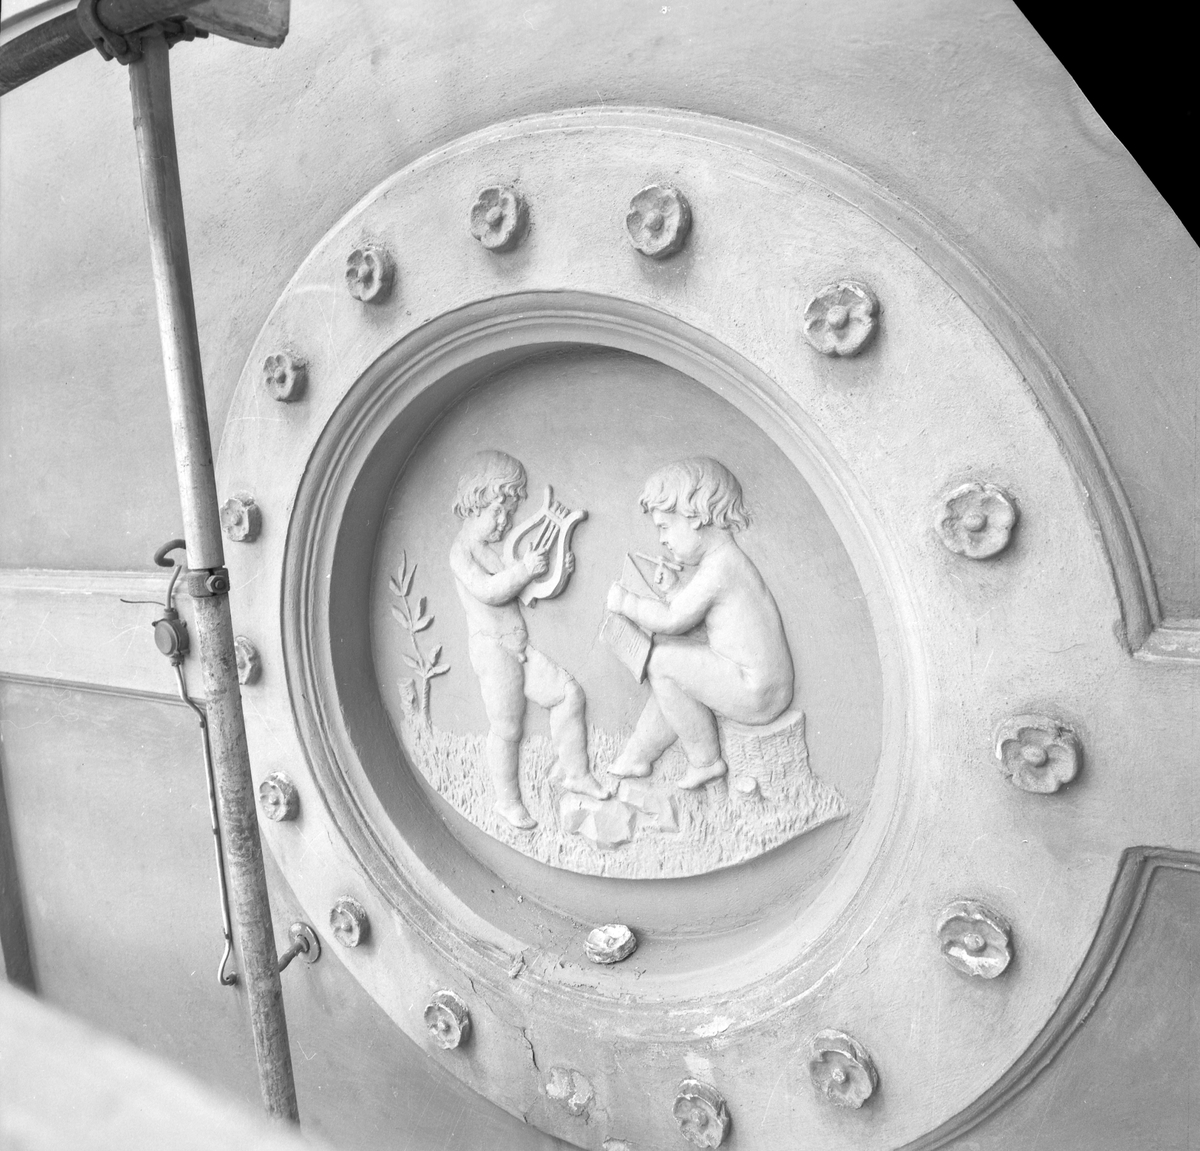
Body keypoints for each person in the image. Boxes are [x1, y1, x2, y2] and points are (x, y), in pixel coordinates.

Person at [606, 457, 794, 789]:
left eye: (665, 527)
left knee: (662, 663)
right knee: (672, 671)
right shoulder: (725, 563)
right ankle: (638, 755)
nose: (662, 539)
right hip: (755, 682)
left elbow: (673, 620)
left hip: (757, 691)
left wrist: (627, 603)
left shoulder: (721, 568)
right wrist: (673, 589)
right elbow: (704, 616)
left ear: (696, 517)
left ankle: (705, 761)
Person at [450, 449, 610, 828]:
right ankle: (506, 802)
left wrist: (557, 572)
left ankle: (574, 772)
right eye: (498, 512)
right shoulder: (461, 552)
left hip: (519, 649)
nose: (505, 522)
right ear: (474, 503)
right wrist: (524, 570)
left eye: (509, 513)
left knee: (569, 694)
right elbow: (490, 591)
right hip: (494, 653)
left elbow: (525, 592)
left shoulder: (489, 550)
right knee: (507, 728)